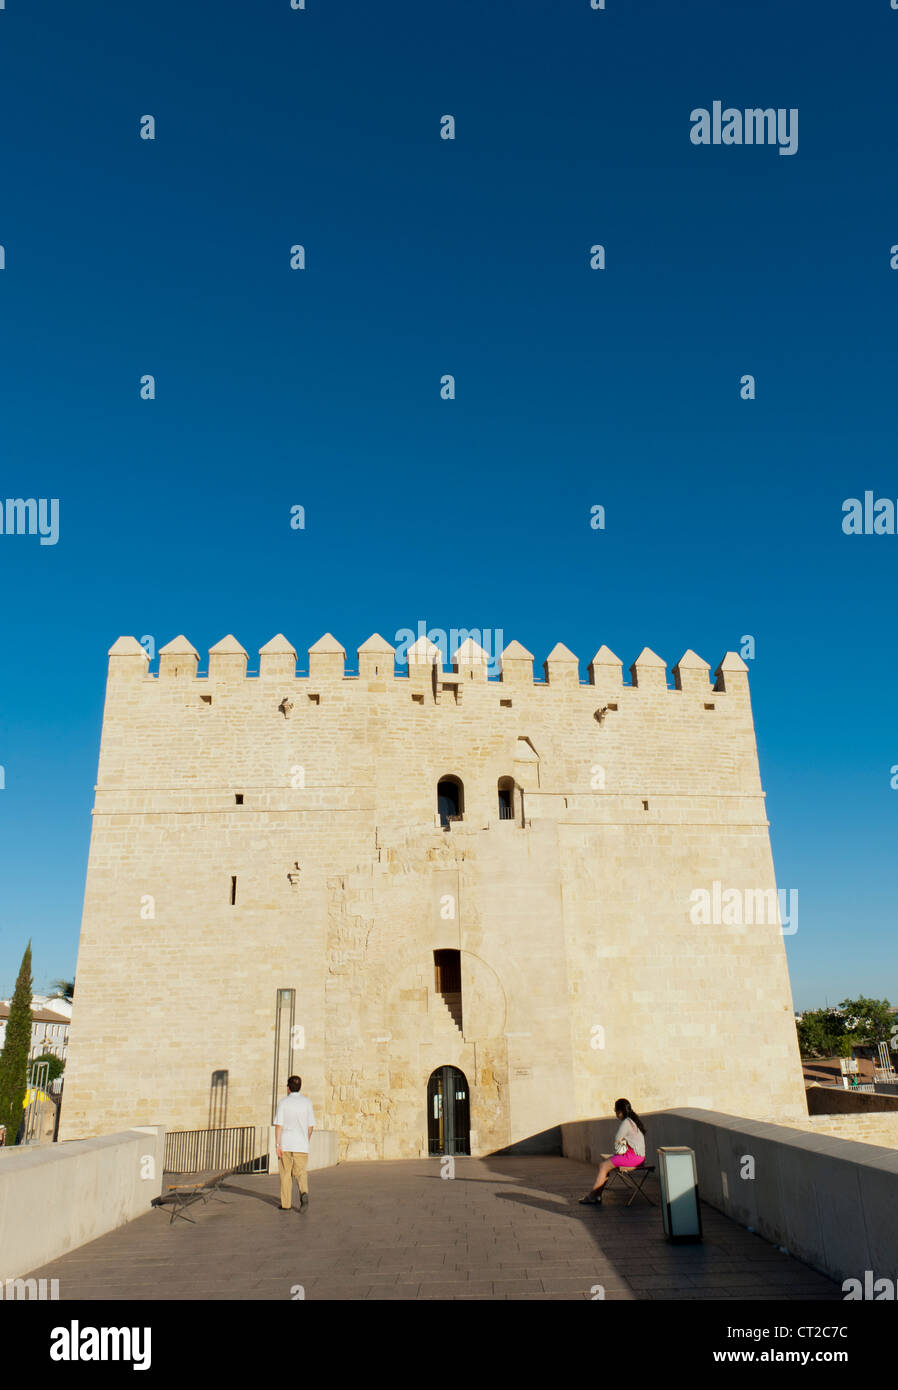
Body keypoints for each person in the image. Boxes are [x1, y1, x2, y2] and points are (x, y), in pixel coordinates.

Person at [579, 1098, 646, 1205]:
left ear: (620, 1111)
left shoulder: (626, 1123)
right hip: (639, 1158)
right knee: (606, 1165)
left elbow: (617, 1139)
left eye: (615, 1111)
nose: (615, 1114)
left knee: (603, 1166)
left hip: (633, 1158)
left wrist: (619, 1150)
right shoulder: (633, 1121)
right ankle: (596, 1196)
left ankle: (593, 1196)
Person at [274, 1075, 315, 1213]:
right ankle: (303, 1192)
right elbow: (310, 1126)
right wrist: (306, 1139)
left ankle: (286, 1204)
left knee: (285, 1174)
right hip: (301, 1144)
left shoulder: (283, 1103)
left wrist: (277, 1145)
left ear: (288, 1087)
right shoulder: (307, 1103)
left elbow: (279, 1125)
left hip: (286, 1143)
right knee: (301, 1172)